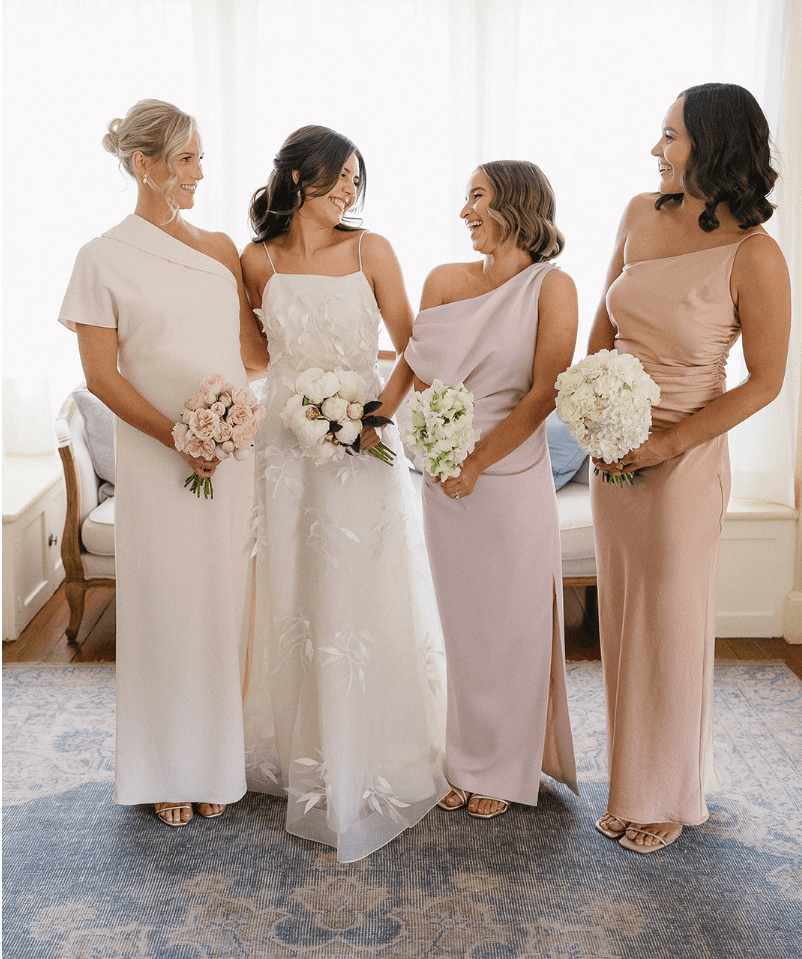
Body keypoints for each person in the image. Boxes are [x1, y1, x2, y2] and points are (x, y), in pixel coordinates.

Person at [589, 83, 791, 854]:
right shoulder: (641, 212)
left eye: (669, 136)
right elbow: (603, 328)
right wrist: (598, 415)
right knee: (624, 619)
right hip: (617, 448)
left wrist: (665, 445)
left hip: (685, 455)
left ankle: (666, 793)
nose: (656, 150)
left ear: (712, 145)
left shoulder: (756, 255)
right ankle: (633, 779)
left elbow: (765, 381)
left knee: (669, 623)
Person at [240, 124, 448, 863]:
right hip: (283, 450)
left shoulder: (372, 250)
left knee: (363, 593)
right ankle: (305, 748)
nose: (350, 192)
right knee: (293, 593)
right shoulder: (255, 258)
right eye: (339, 179)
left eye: (358, 181)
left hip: (361, 444)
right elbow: (255, 354)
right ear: (298, 179)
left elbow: (415, 345)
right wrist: (293, 405)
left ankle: (376, 749)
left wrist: (369, 418)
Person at [59, 99, 267, 828]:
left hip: (230, 452)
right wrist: (178, 434)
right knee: (163, 605)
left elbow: (252, 355)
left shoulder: (217, 246)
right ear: (143, 164)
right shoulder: (101, 256)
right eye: (185, 160)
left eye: (202, 158)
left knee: (221, 603)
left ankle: (214, 760)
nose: (199, 174)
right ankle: (162, 767)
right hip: (157, 456)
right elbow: (101, 376)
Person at [404, 160, 579, 820]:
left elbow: (543, 394)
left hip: (506, 474)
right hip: (442, 473)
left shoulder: (552, 286)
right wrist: (432, 444)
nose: (464, 211)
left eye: (475, 196)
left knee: (512, 625)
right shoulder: (445, 280)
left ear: (514, 202)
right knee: (459, 625)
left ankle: (505, 769)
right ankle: (460, 759)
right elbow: (419, 372)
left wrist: (475, 461)